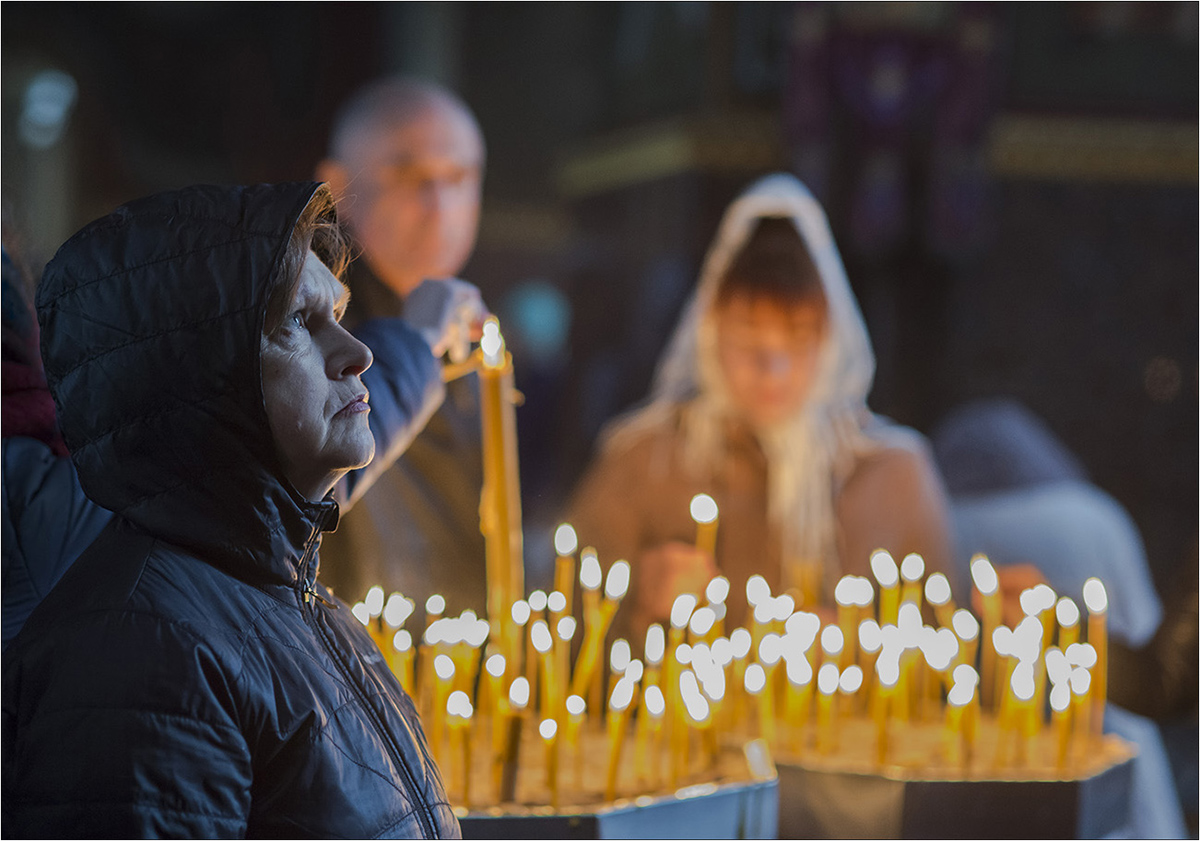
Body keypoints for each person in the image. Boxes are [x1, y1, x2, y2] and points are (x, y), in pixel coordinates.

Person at [2, 182, 459, 837]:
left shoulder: (289, 599)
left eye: (340, 313)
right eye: (301, 322)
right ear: (203, 375)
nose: (358, 353)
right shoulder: (148, 656)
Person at [567, 173, 954, 637]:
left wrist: (858, 648)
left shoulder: (894, 475)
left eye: (798, 338)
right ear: (710, 331)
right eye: (748, 337)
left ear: (830, 339)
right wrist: (636, 599)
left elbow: (950, 655)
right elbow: (560, 637)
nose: (772, 369)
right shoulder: (645, 463)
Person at [313, 76, 490, 618]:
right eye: (407, 175)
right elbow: (307, 485)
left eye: (457, 176)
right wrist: (413, 346)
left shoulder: (475, 339)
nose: (439, 204)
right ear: (336, 185)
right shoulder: (308, 328)